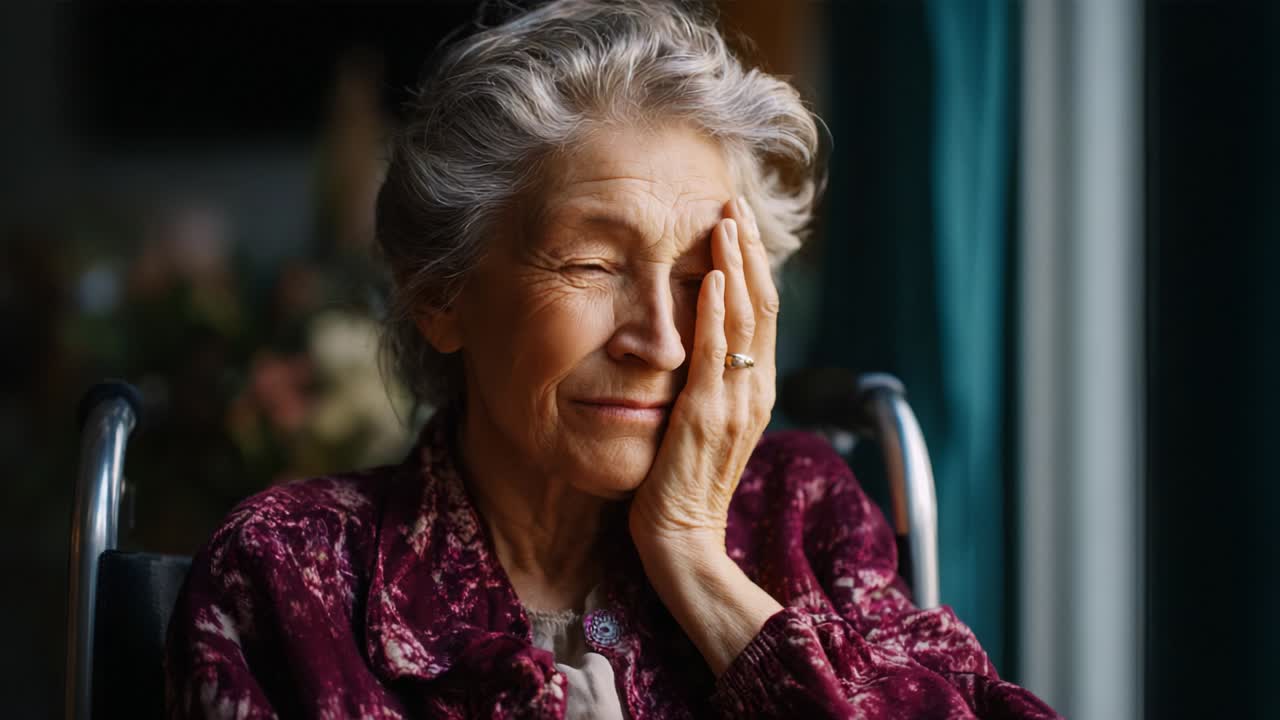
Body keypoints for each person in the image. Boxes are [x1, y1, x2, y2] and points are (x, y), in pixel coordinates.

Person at [165, 1, 1060, 717]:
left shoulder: (803, 514)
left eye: (700, 275)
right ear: (439, 294)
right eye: (592, 265)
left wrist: (698, 565)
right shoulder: (293, 572)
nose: (661, 341)